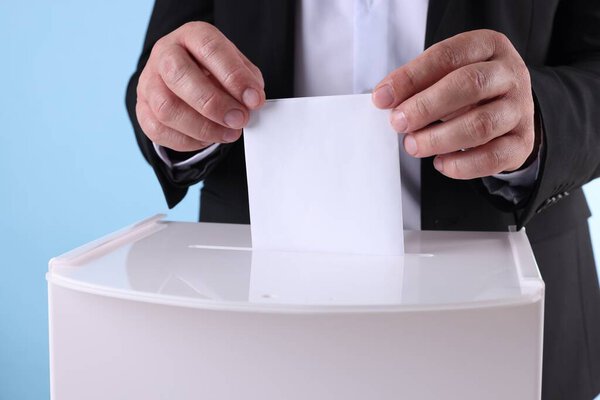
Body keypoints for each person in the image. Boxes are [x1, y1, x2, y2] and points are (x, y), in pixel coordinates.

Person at [125, 1, 600, 398]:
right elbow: (163, 70)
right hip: (256, 318)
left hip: (509, 319)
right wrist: (172, 103)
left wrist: (537, 121)